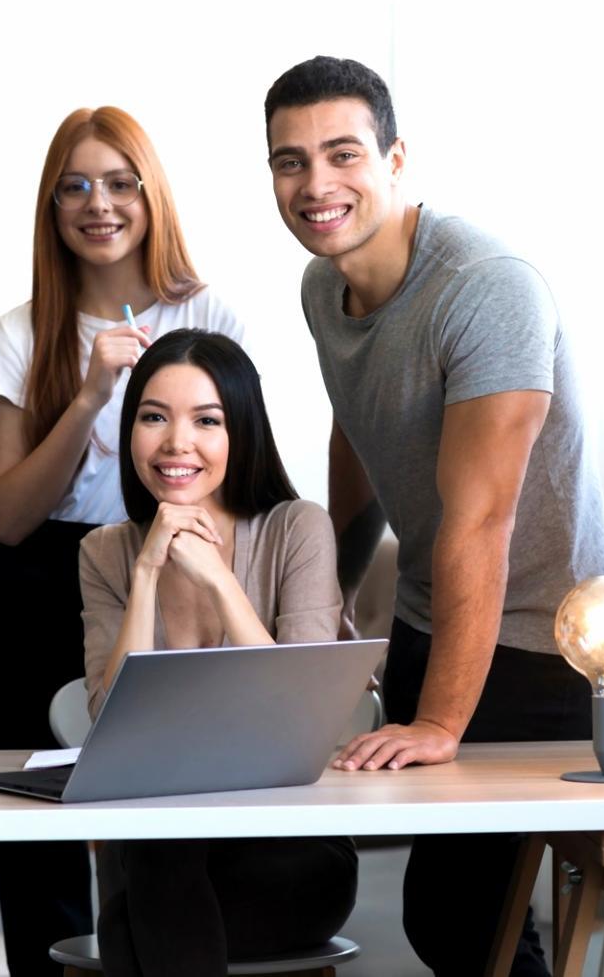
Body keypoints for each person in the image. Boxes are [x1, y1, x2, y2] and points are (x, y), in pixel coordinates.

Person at [264, 55, 604, 975]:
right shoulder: (323, 288)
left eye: (342, 154)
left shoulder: (485, 288)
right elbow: (360, 435)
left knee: (462, 917)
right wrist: (332, 598)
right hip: (435, 615)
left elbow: (483, 521)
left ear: (395, 159)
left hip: (548, 640)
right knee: (464, 923)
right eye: (290, 161)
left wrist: (440, 726)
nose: (317, 185)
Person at [0, 106, 244, 975]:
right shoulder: (18, 329)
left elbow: (247, 470)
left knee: (154, 863)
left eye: (120, 182)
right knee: (34, 871)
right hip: (30, 593)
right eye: (74, 185)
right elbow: (6, 516)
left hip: (161, 574)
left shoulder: (212, 311)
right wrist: (86, 396)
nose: (98, 202)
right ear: (50, 208)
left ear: (152, 195)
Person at [77, 329, 358, 977]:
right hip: (162, 851)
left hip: (291, 848)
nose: (177, 442)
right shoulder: (106, 553)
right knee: (156, 864)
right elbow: (107, 722)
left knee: (130, 918)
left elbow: (299, 718)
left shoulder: (297, 528)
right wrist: (148, 571)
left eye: (207, 420)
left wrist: (218, 579)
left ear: (243, 432)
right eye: (154, 417)